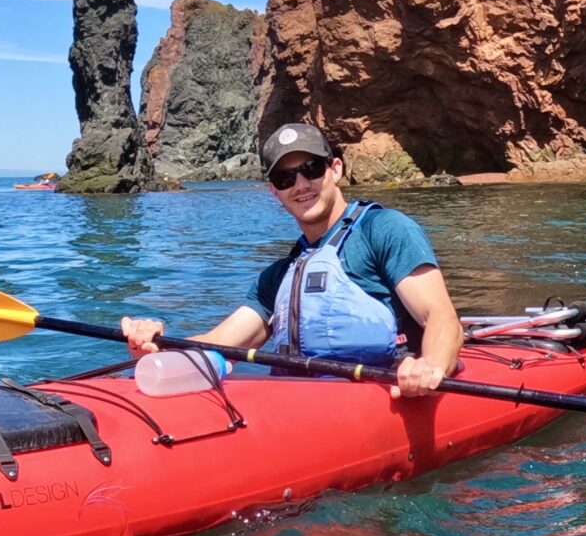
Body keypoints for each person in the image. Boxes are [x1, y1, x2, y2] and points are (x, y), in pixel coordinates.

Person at [120, 122, 462, 397]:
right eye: (284, 178)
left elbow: (442, 317)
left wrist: (430, 366)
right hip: (296, 403)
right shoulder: (279, 275)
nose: (300, 185)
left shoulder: (384, 230)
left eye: (311, 169)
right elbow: (220, 342)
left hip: (381, 394)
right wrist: (156, 343)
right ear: (274, 191)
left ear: (335, 169)